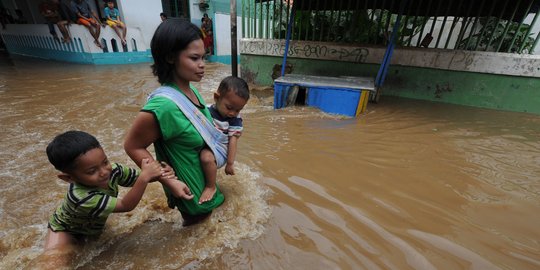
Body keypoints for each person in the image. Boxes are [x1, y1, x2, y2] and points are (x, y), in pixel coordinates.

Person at [124, 18, 224, 226]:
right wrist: (169, 181)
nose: (202, 65)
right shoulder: (164, 107)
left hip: (207, 188)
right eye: (194, 58)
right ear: (170, 58)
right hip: (192, 198)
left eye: (203, 57)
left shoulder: (191, 91)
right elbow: (132, 146)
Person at [44, 130, 194, 255]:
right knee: (54, 263)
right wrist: (145, 176)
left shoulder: (113, 170)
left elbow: (139, 179)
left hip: (91, 226)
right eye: (92, 171)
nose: (104, 172)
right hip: (66, 230)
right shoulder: (81, 197)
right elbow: (125, 205)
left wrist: (160, 173)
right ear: (68, 178)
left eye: (104, 162)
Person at [198, 76, 249, 204]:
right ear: (216, 97)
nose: (232, 113)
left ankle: (211, 187)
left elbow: (233, 141)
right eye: (229, 108)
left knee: (206, 157)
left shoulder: (234, 120)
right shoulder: (206, 110)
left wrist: (230, 163)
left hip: (220, 150)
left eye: (238, 110)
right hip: (208, 143)